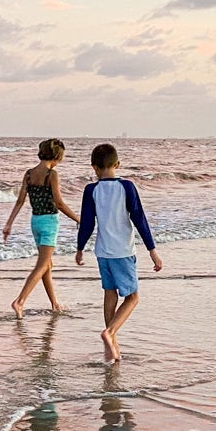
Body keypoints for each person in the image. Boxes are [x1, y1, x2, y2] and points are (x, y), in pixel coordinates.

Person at [75, 143, 162, 363]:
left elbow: (86, 223)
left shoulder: (91, 190)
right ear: (117, 164)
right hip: (123, 251)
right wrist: (152, 250)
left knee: (110, 292)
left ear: (94, 167)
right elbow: (139, 219)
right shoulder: (127, 186)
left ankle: (112, 345)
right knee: (132, 297)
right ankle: (110, 333)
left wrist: (79, 248)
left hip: (102, 252)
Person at [2, 138, 82, 316]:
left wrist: (9, 223)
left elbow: (20, 201)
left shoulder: (29, 174)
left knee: (47, 265)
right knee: (42, 265)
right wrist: (78, 218)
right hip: (49, 223)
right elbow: (59, 203)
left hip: (35, 222)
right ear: (56, 156)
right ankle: (19, 301)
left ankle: (54, 303)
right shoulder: (51, 175)